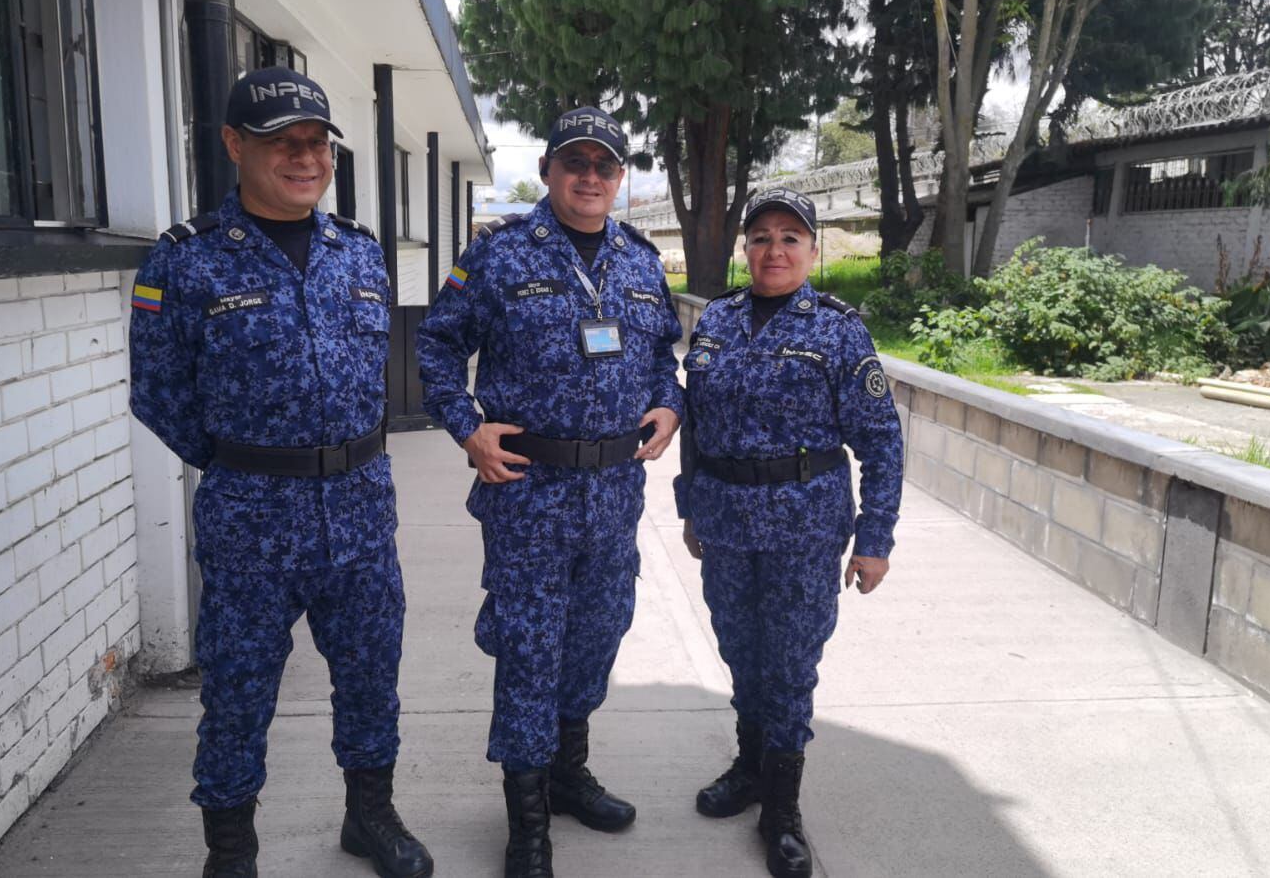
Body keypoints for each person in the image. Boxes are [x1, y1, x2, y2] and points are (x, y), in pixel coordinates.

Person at [129, 67, 432, 878]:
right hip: (251, 519)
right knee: (236, 693)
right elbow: (159, 395)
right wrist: (247, 463)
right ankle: (230, 849)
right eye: (281, 143)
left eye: (315, 143)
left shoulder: (360, 251)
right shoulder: (186, 261)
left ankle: (370, 815)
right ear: (234, 145)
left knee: (371, 678)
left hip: (362, 511)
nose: (305, 158)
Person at [416, 105, 683, 878]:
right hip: (528, 492)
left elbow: (664, 358)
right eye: (576, 163)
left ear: (618, 176)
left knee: (597, 637)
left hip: (612, 493)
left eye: (604, 165)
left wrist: (671, 402)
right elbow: (436, 344)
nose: (590, 177)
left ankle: (568, 771)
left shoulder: (637, 260)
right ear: (549, 172)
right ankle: (526, 820)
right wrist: (466, 424)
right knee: (530, 650)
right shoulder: (497, 256)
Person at [673, 188, 904, 878]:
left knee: (790, 664)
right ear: (745, 247)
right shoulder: (714, 320)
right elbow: (696, 427)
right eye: (761, 237)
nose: (774, 250)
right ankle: (749, 766)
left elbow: (881, 442)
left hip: (803, 528)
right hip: (725, 523)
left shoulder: (837, 329)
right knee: (739, 649)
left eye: (790, 238)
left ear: (811, 249)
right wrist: (691, 506)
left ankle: (781, 808)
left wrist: (874, 537)